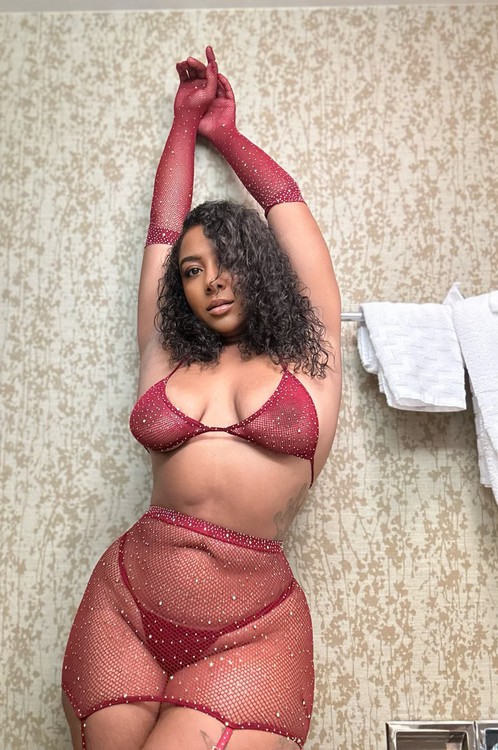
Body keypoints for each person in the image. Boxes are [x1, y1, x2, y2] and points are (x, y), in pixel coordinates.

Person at [61, 46, 341, 750]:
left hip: (251, 633)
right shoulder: (166, 354)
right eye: (192, 271)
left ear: (260, 269)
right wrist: (182, 125)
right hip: (124, 608)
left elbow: (289, 213)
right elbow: (162, 233)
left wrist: (226, 134)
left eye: (227, 263)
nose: (210, 280)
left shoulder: (310, 355)